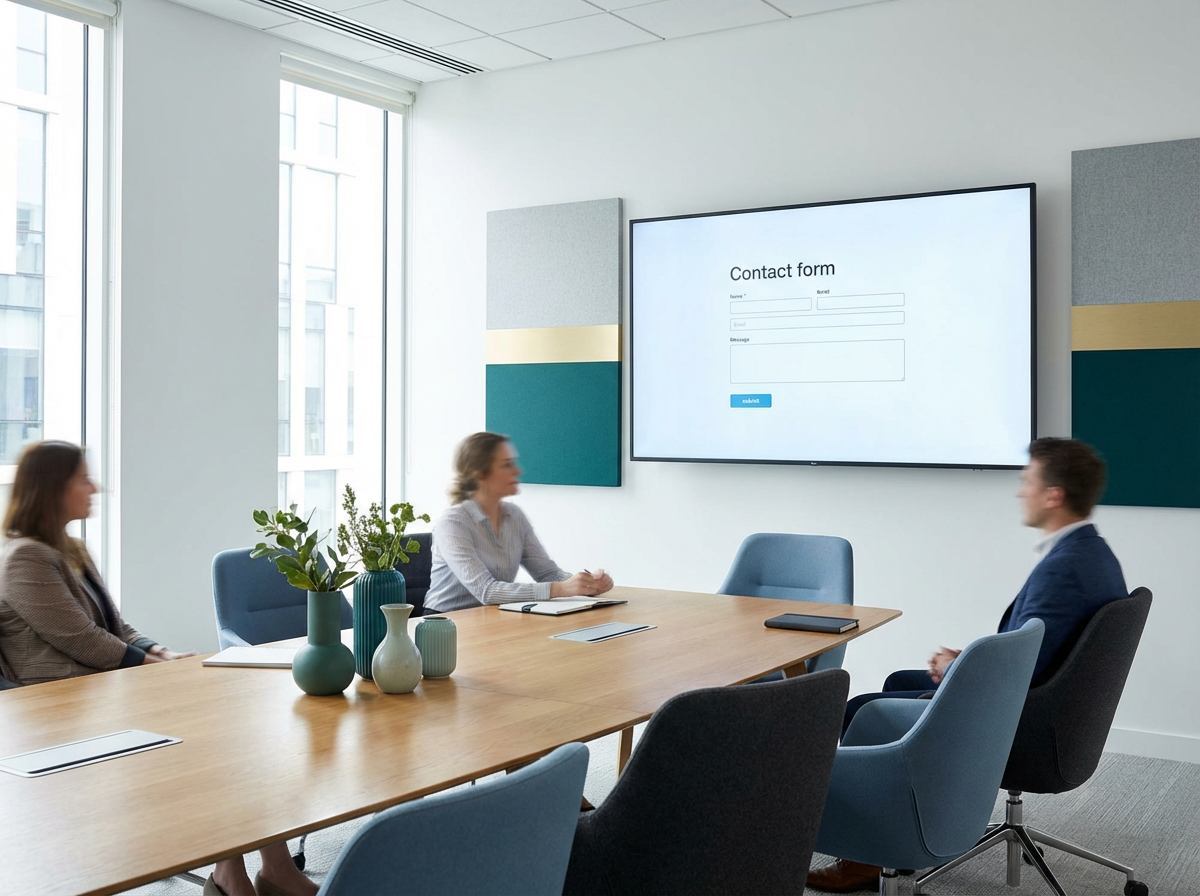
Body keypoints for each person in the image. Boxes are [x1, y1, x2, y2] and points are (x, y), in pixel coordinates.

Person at [807, 438, 1129, 893]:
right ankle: (908, 823)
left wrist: (961, 671)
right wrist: (962, 663)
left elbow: (1027, 668)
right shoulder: (1092, 554)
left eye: (1027, 482)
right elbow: (1039, 652)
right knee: (900, 681)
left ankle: (866, 855)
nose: (1021, 492)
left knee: (861, 709)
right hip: (1060, 715)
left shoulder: (1064, 569)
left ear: (1053, 494)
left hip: (1022, 724)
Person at [0, 441, 315, 896]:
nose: (96, 487)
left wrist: (165, 654)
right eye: (82, 478)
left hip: (98, 693)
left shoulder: (69, 548)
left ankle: (267, 869)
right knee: (217, 737)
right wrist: (155, 670)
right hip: (59, 712)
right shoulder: (25, 558)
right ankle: (242, 873)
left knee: (235, 731)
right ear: (51, 488)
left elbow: (115, 626)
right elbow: (79, 639)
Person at [424, 432, 614, 615]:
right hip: (444, 623)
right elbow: (486, 591)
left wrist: (587, 585)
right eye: (507, 465)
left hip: (492, 618)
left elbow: (548, 574)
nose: (517, 471)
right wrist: (561, 589)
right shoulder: (453, 523)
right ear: (479, 474)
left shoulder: (514, 516)